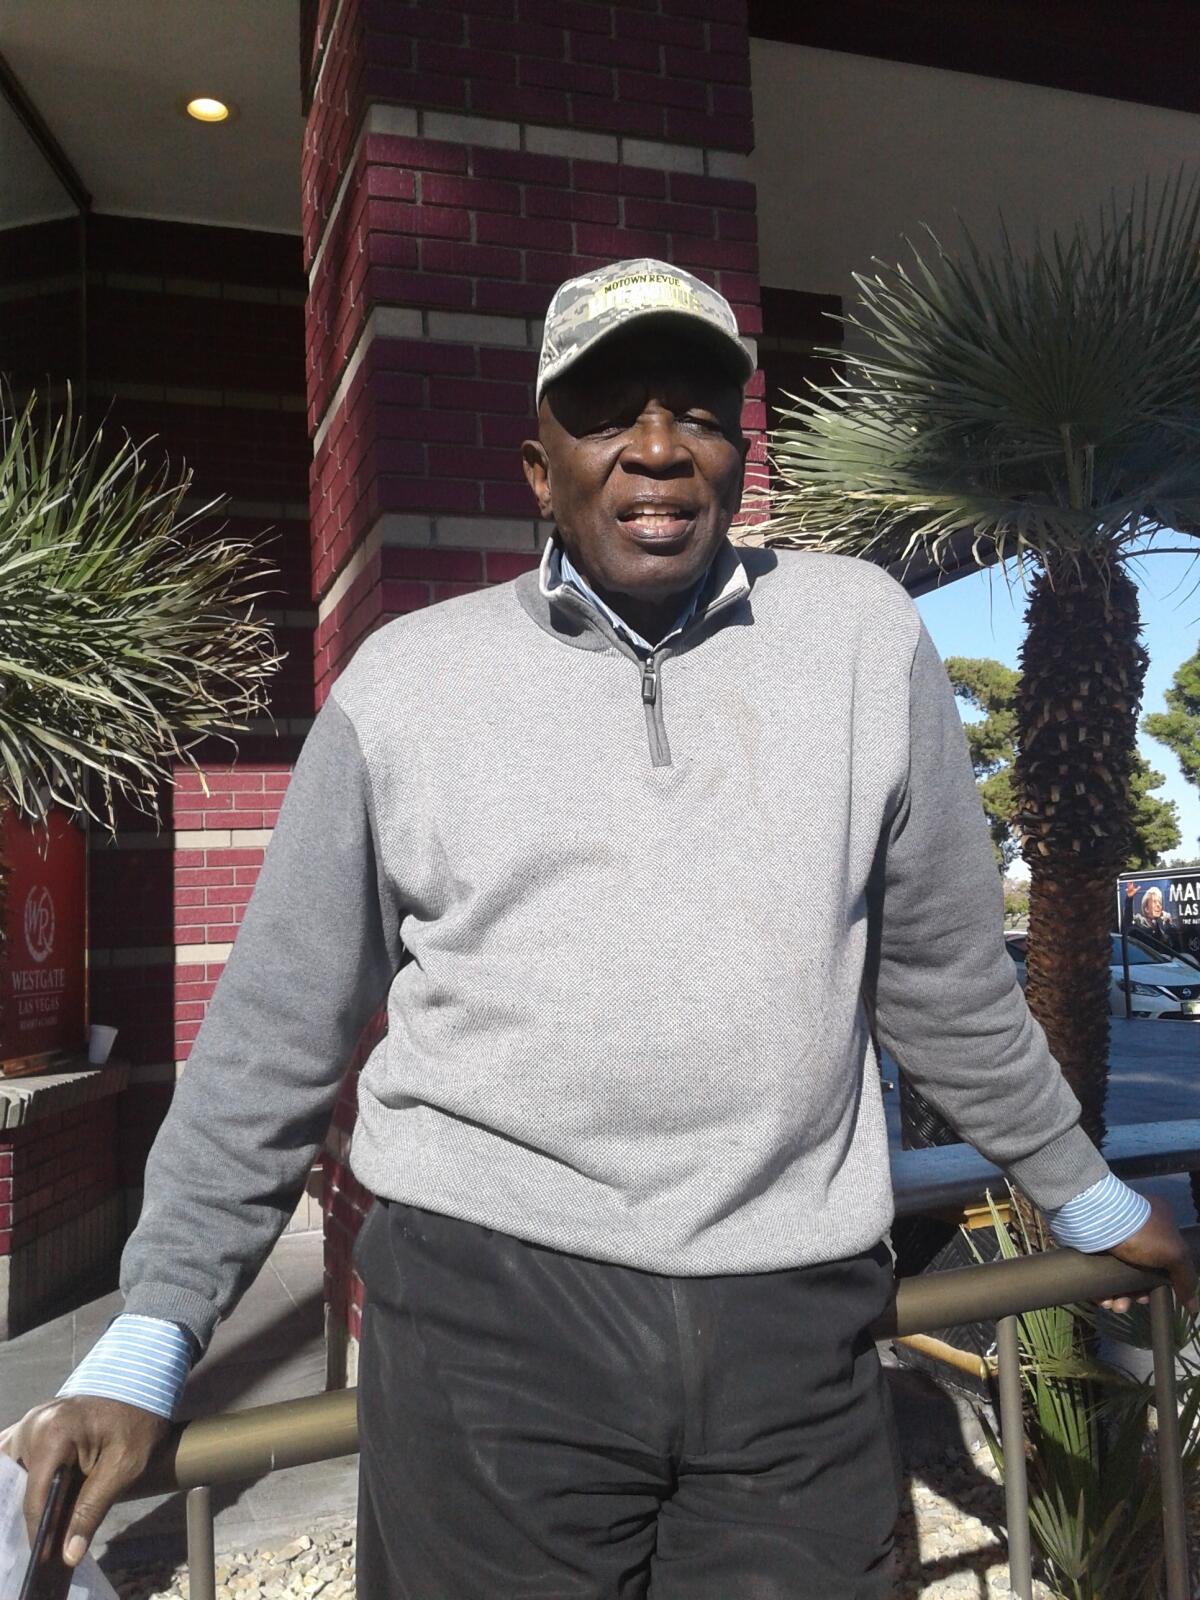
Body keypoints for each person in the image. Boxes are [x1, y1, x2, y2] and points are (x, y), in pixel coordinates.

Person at [5, 260, 1195, 1599]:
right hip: (487, 1328)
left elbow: (941, 984)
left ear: (739, 451)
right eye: (606, 415)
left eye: (695, 410)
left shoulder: (858, 640)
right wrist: (149, 1340)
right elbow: (276, 1037)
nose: (655, 448)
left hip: (792, 1333)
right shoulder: (409, 684)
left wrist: (1088, 1196)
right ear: (537, 465)